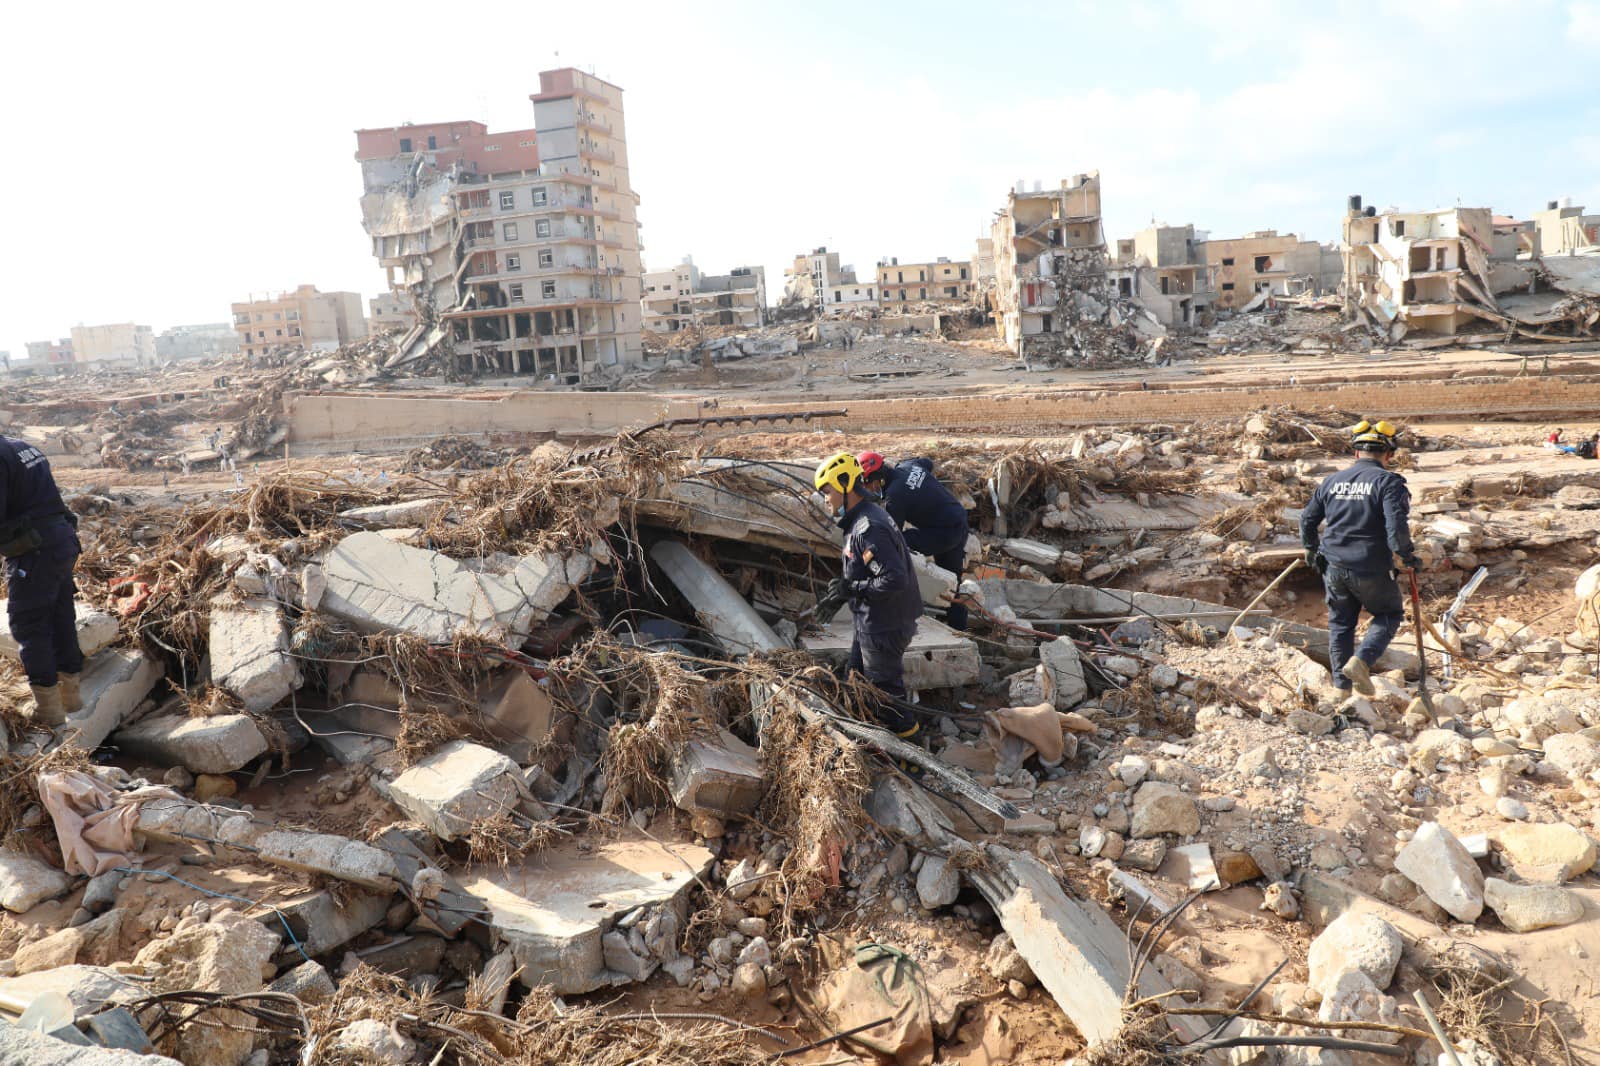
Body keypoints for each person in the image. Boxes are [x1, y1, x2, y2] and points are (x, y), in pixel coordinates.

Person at [1299, 419, 1418, 698]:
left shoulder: (1331, 481)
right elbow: (1395, 527)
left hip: (1333, 564)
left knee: (1341, 625)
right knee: (1389, 614)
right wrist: (1407, 556)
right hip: (1370, 565)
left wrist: (1310, 549)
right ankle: (1361, 661)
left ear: (1355, 453)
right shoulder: (1388, 482)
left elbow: (1307, 519)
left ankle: (1341, 690)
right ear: (1389, 455)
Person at [813, 452, 924, 739]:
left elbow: (894, 578)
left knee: (887, 701)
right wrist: (841, 593)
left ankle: (914, 752)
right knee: (854, 679)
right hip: (870, 620)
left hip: (885, 625)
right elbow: (865, 569)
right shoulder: (860, 519)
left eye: (827, 491)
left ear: (845, 485)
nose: (825, 499)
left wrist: (853, 589)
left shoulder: (869, 526)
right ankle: (868, 740)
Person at [1, 435, 84, 726]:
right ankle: (70, 697)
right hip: (61, 541)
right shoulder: (22, 446)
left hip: (35, 552)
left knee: (30, 624)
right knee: (61, 617)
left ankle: (48, 710)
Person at [857, 452, 970, 629]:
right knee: (953, 582)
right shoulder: (908, 466)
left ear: (878, 478)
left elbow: (891, 535)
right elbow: (927, 462)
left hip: (945, 533)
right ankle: (959, 628)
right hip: (958, 519)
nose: (867, 488)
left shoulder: (894, 497)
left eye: (867, 483)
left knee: (901, 542)